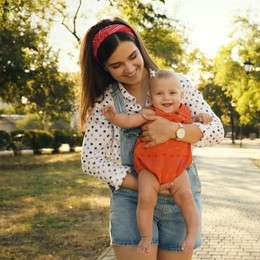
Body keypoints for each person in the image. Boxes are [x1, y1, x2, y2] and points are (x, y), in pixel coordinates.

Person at [78, 17, 224, 260]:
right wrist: (144, 184)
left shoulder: (176, 84)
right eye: (116, 65)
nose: (129, 68)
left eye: (133, 56)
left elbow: (216, 131)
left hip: (180, 195)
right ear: (104, 68)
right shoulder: (106, 103)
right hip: (132, 200)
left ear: (139, 47)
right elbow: (90, 160)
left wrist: (174, 130)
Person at [100, 69, 213, 254]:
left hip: (177, 170)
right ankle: (146, 236)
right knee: (145, 199)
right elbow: (128, 120)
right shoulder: (148, 113)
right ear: (150, 97)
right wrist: (115, 117)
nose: (166, 98)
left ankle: (191, 233)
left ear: (181, 95)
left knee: (186, 197)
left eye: (172, 93)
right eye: (159, 94)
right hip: (149, 170)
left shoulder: (185, 113)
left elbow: (197, 126)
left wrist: (201, 118)